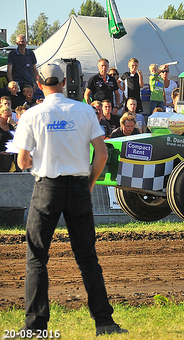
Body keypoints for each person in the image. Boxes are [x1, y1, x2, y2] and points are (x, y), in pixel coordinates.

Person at [12, 63, 127, 336]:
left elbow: (23, 159)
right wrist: (88, 183)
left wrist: (40, 163)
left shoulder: (32, 115)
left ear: (40, 84)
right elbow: (101, 154)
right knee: (87, 258)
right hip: (77, 186)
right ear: (65, 83)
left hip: (47, 187)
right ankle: (104, 322)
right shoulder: (86, 111)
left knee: (37, 258)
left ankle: (36, 326)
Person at [0, 105, 16, 172]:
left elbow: (21, 136)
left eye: (10, 115)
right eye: (6, 116)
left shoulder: (12, 126)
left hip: (11, 157)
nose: (9, 118)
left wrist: (14, 125)